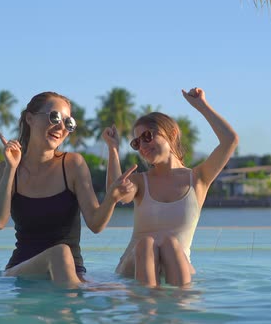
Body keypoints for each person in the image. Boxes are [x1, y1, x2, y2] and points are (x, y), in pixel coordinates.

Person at [0, 91, 136, 287]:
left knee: (118, 295)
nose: (61, 127)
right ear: (29, 118)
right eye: (54, 117)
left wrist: (112, 198)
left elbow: (95, 224)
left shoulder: (73, 165)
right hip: (22, 271)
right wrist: (11, 169)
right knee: (60, 252)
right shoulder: (5, 169)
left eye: (68, 123)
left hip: (71, 273)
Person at [102, 87, 239, 287]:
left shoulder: (198, 178)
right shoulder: (141, 181)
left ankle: (177, 313)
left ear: (172, 134)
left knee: (169, 244)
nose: (143, 146)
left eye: (147, 136)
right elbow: (115, 193)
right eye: (136, 143)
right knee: (147, 244)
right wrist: (113, 149)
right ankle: (147, 311)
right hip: (134, 266)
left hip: (177, 264)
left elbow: (230, 140)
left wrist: (201, 106)